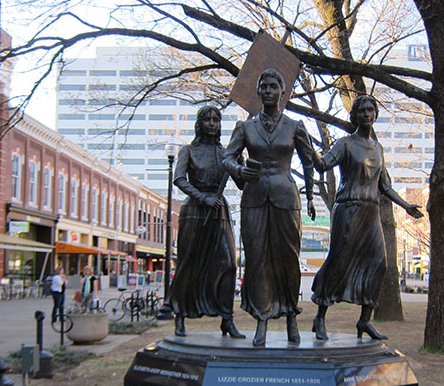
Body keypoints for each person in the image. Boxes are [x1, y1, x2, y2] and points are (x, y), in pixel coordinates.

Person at [311, 95, 423, 341]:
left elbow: (385, 186)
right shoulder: (345, 144)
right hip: (348, 210)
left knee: (379, 263)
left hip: (370, 213)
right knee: (339, 262)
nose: (366, 114)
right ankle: (320, 316)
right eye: (361, 110)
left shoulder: (379, 148)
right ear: (354, 116)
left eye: (371, 109)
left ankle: (364, 321)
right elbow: (322, 165)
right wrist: (305, 145)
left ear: (375, 114)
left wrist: (405, 205)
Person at [224, 68, 316, 347]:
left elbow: (309, 161)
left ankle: (291, 316)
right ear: (258, 91)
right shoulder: (245, 127)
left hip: (286, 198)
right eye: (263, 86)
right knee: (257, 259)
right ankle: (261, 320)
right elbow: (228, 158)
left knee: (288, 259)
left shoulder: (295, 126)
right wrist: (240, 170)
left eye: (272, 87)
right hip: (253, 198)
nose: (267, 91)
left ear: (282, 92)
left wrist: (310, 195)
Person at [168, 105, 245, 339]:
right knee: (188, 264)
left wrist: (240, 161)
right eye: (207, 119)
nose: (212, 123)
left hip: (219, 211)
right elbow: (179, 178)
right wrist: (202, 197)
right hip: (194, 211)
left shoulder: (226, 153)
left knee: (228, 264)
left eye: (216, 120)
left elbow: (242, 184)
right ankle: (180, 316)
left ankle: (227, 318)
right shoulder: (188, 150)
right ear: (199, 124)